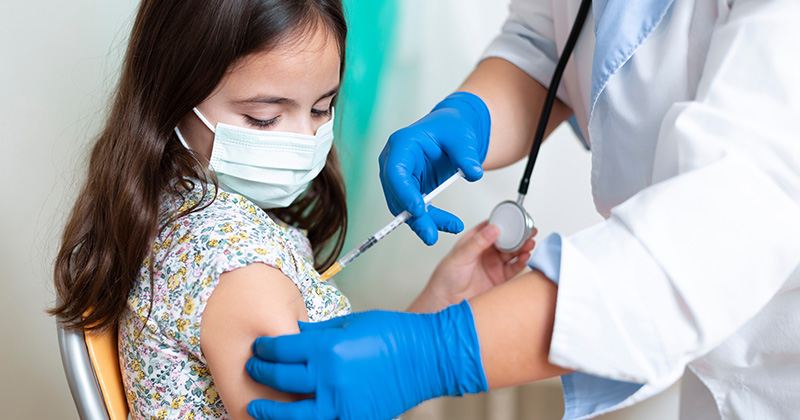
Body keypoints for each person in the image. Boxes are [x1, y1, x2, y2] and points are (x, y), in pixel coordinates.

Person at [245, 0, 800, 419]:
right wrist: (472, 114)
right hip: (719, 374)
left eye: (323, 109)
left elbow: (716, 237)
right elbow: (549, 38)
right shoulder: (221, 256)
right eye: (265, 117)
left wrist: (433, 349)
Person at [49, 0, 535, 419]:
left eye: (322, 108)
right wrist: (426, 353)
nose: (305, 139)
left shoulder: (181, 209)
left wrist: (435, 307)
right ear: (174, 93)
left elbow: (337, 398)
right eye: (264, 118)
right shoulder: (239, 270)